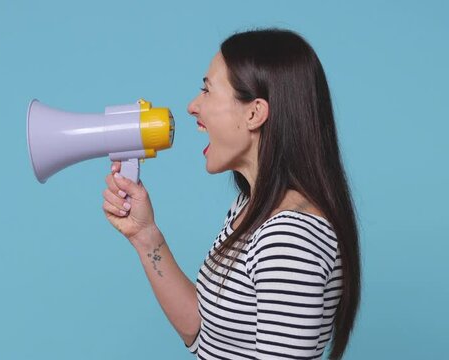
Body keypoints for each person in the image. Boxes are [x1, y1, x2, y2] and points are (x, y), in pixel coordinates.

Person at [101, 28, 361, 360]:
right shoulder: (251, 207)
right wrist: (145, 237)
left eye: (207, 91)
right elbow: (202, 333)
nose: (193, 107)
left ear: (254, 113)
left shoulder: (290, 238)